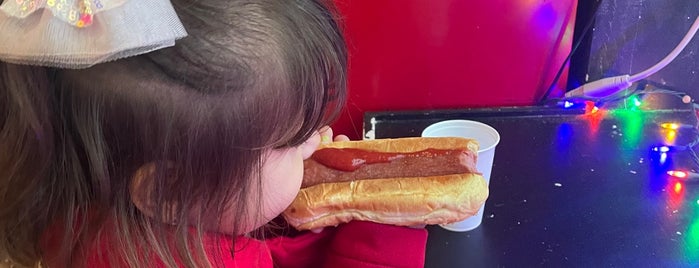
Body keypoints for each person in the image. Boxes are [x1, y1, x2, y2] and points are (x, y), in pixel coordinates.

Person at [0, 0, 428, 267]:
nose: (317, 140)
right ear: (170, 188)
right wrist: (382, 239)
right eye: (288, 142)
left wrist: (318, 224)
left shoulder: (96, 199)